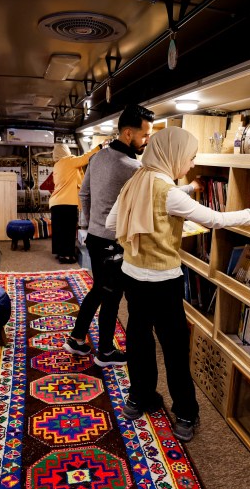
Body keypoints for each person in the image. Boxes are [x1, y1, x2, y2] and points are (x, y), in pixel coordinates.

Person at [105, 126, 250, 442]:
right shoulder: (167, 192)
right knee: (174, 348)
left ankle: (138, 398)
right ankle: (185, 414)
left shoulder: (136, 181)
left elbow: (112, 223)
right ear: (173, 155)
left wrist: (153, 224)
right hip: (162, 282)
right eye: (190, 157)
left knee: (138, 339)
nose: (192, 164)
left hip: (132, 275)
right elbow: (215, 220)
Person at [63, 104, 155, 367]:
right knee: (111, 295)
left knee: (100, 290)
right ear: (128, 134)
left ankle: (77, 338)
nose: (147, 141)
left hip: (94, 237)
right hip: (113, 242)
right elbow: (159, 193)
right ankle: (105, 352)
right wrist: (191, 187)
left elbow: (84, 194)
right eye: (145, 135)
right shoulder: (132, 166)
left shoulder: (97, 157)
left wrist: (85, 226)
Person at [49, 142, 100, 263]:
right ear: (66, 151)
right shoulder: (69, 160)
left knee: (59, 230)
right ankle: (67, 256)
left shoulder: (57, 165)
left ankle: (60, 253)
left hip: (56, 203)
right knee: (69, 230)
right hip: (68, 202)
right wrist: (99, 147)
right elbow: (85, 158)